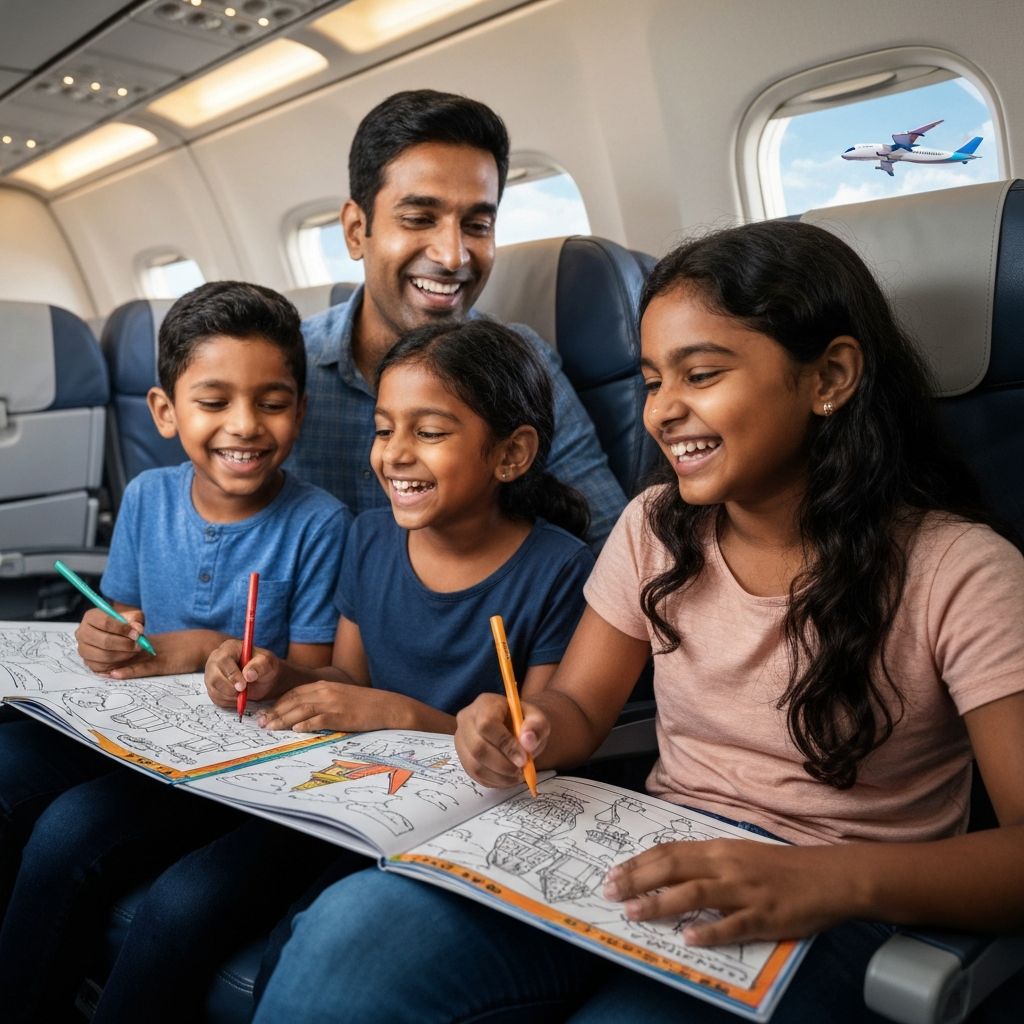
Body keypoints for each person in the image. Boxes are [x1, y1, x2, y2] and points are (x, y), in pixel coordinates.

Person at [253, 219, 1024, 1024]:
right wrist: (525, 725)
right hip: (644, 844)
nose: (663, 411)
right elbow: (580, 710)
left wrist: (832, 879)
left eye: (701, 374)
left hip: (836, 907)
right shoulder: (656, 526)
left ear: (829, 375)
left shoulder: (961, 571)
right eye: (654, 381)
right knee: (351, 931)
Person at [89, 318, 595, 1022]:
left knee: (299, 942)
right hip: (345, 802)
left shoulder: (560, 570)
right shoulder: (369, 537)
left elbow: (533, 755)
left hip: (462, 823)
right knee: (184, 901)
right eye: (385, 429)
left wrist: (407, 716)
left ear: (511, 455)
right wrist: (275, 676)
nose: (395, 455)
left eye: (431, 431)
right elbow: (350, 684)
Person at [0, 281, 350, 1022]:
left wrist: (233, 657)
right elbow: (122, 619)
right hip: (135, 734)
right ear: (166, 411)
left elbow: (320, 672)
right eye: (214, 401)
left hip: (238, 762)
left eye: (273, 401)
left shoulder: (321, 523)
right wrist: (106, 634)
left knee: (71, 832)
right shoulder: (147, 498)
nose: (245, 426)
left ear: (302, 410)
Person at [288, 88, 627, 550]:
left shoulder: (524, 364)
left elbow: (609, 543)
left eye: (477, 226)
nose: (452, 256)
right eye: (418, 218)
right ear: (354, 231)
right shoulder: (288, 371)